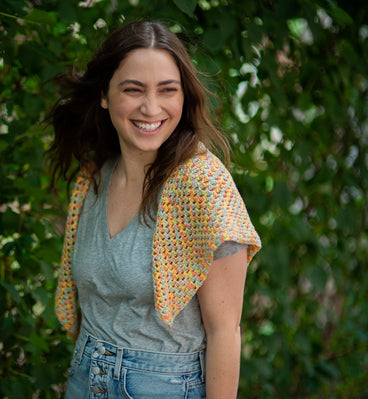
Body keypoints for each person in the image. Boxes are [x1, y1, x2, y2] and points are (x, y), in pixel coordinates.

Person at [48, 20, 262, 398]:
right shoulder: (94, 177)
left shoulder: (203, 187)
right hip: (84, 377)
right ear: (104, 95)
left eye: (168, 91)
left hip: (162, 385)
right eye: (133, 90)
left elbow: (224, 332)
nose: (151, 107)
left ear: (184, 98)